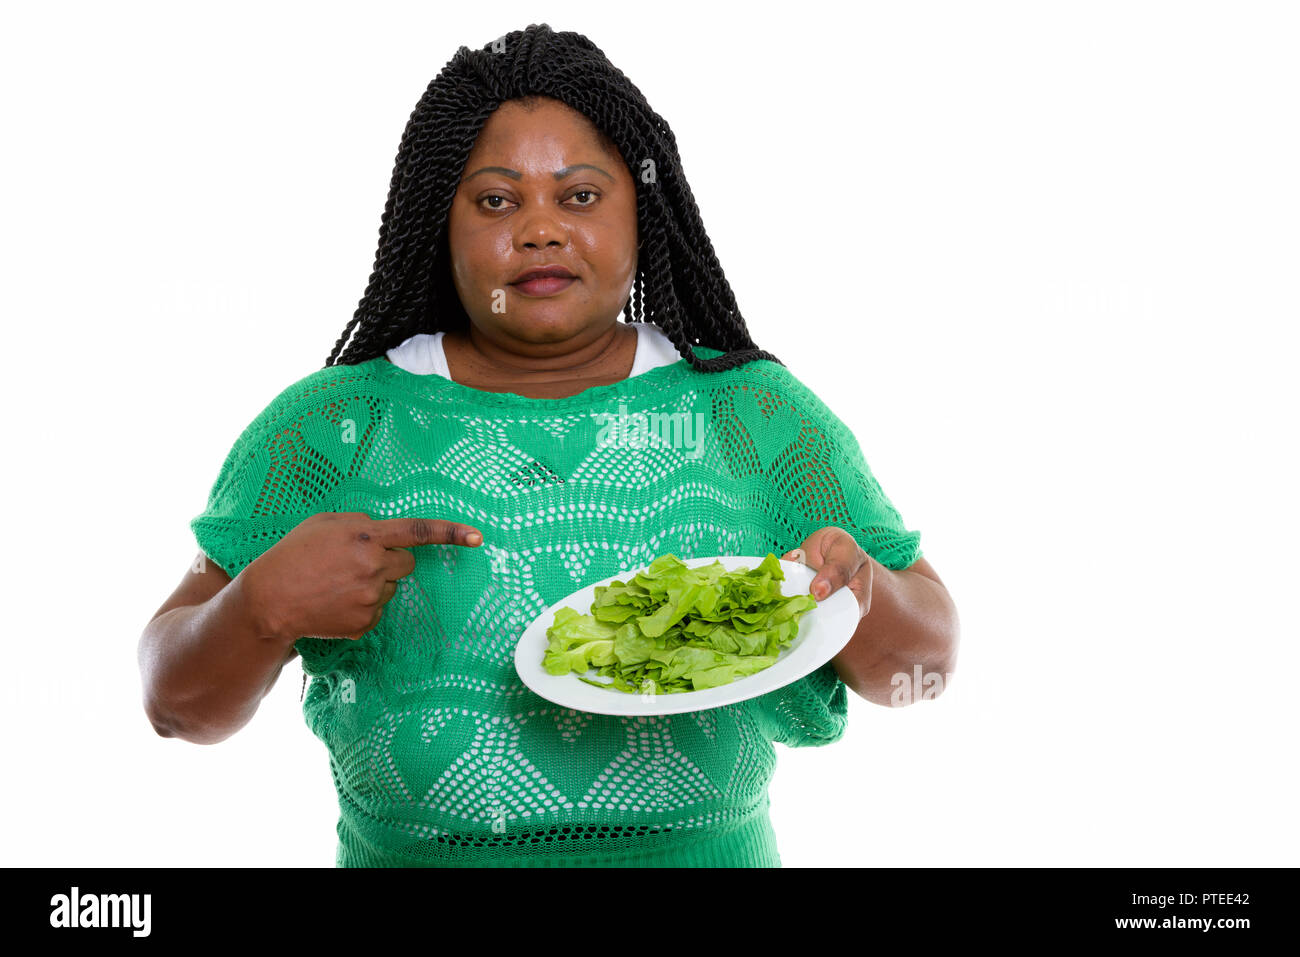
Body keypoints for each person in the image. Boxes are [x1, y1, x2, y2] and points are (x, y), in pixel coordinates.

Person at [138, 23, 959, 867]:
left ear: (642, 209)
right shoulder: (332, 428)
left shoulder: (751, 412)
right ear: (437, 219)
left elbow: (927, 660)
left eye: (580, 196)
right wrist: (261, 605)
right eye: (497, 200)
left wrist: (857, 595)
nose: (540, 231)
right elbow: (177, 703)